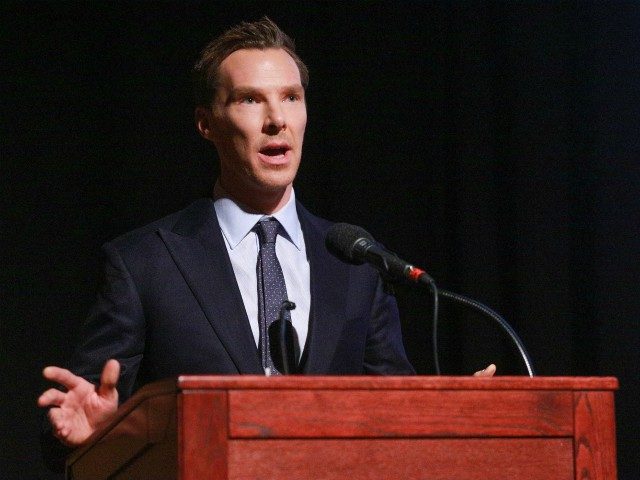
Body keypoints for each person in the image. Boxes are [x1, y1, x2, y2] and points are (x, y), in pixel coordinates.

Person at [38, 17, 495, 469]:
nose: (277, 120)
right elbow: (81, 419)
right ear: (206, 124)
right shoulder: (144, 262)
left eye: (291, 98)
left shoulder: (356, 261)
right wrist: (98, 434)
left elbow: (395, 420)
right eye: (250, 100)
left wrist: (450, 415)